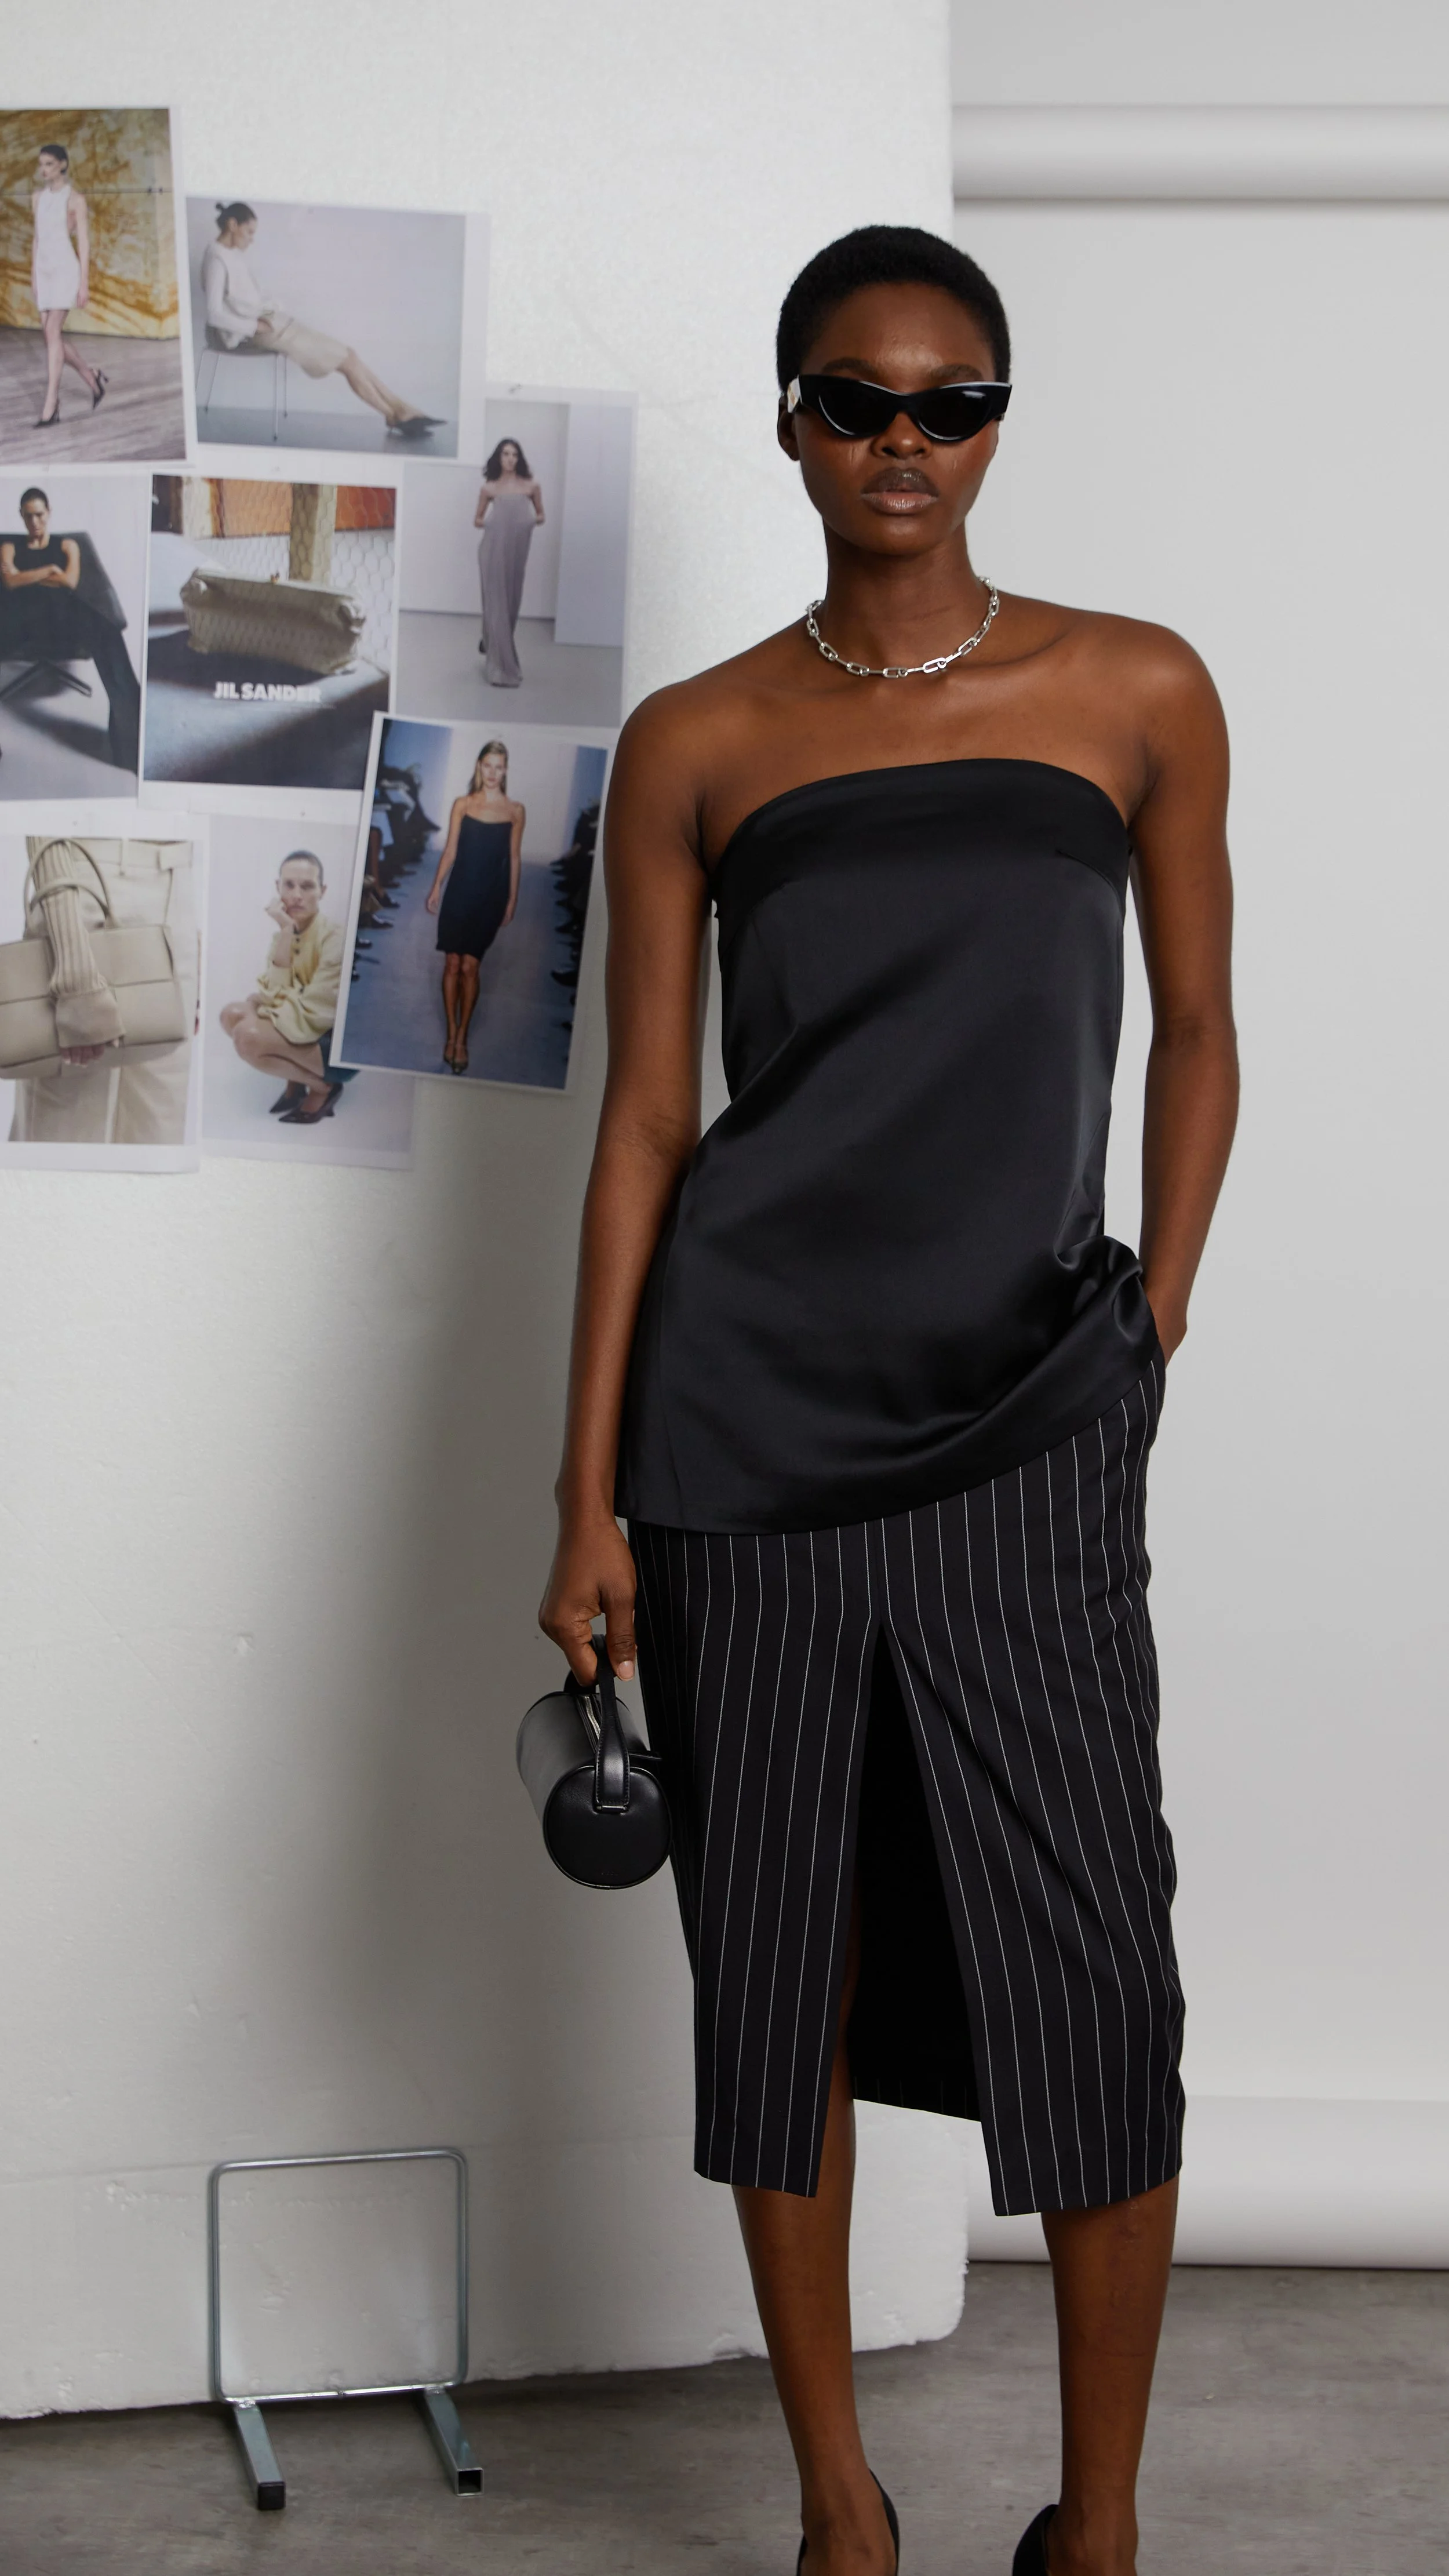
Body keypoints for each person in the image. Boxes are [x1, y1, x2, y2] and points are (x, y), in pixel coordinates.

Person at [539, 225, 1239, 2576]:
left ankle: (1102, 2527)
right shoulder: (704, 742)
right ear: (791, 425)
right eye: (856, 401)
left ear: (999, 421)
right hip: (737, 1429)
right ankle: (843, 2512)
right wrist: (586, 1501)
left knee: (1089, 1968)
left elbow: (1203, 1031)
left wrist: (1150, 1324)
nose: (902, 444)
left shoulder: (1136, 688)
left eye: (946, 402)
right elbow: (647, 1125)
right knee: (779, 1966)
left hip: (1031, 1411)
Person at [10, 835, 198, 1145]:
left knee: (155, 1146)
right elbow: (43, 820)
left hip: (176, 890)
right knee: (64, 1143)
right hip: (83, 885)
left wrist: (195, 955)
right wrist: (73, 974)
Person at [200, 203, 443, 439]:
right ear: (233, 225)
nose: (252, 239)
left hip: (271, 325)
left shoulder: (232, 256)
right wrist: (254, 325)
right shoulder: (216, 259)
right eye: (250, 231)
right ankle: (396, 412)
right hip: (250, 333)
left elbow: (250, 300)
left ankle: (398, 410)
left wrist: (270, 310)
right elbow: (214, 314)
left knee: (350, 355)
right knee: (346, 359)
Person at [0, 485, 141, 772]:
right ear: (21, 517)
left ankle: (130, 742)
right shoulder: (9, 547)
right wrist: (51, 571)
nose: (35, 522)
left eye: (40, 515)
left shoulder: (68, 545)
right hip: (21, 623)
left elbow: (71, 582)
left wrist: (29, 576)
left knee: (107, 629)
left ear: (49, 513)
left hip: (63, 620)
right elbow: (11, 583)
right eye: (28, 517)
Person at [219, 850, 356, 1125]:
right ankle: (296, 1086)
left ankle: (323, 1087)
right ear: (277, 888)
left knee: (248, 1035)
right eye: (289, 885)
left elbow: (316, 1013)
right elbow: (273, 993)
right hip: (303, 1029)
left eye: (307, 886)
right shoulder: (285, 932)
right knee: (232, 1014)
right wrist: (285, 933)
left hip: (336, 1047)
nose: (296, 895)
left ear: (323, 891)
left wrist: (264, 1008)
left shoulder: (336, 938)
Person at [424, 740, 523, 1072]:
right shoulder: (463, 805)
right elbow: (451, 850)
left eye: (499, 767)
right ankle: (451, 1034)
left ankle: (463, 1036)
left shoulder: (515, 811)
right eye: (487, 765)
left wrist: (512, 899)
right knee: (452, 963)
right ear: (479, 767)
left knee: (471, 967)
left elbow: (513, 857)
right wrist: (437, 885)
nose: (493, 773)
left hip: (490, 897)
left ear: (505, 770)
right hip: (460, 892)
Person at [30, 144, 106, 428]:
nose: (44, 170)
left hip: (65, 271)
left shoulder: (76, 200)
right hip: (45, 271)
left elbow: (83, 243)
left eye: (49, 164)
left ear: (62, 164)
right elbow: (38, 239)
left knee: (52, 331)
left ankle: (52, 403)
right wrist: (34, 275)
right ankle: (92, 377)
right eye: (41, 164)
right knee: (52, 337)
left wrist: (83, 282)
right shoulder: (37, 198)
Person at [475, 438, 545, 685]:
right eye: (505, 454)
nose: (510, 459)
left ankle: (491, 640)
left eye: (514, 454)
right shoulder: (490, 488)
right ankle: (501, 668)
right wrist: (498, 524)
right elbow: (478, 520)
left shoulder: (531, 486)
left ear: (519, 458)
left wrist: (525, 522)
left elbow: (541, 515)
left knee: (511, 603)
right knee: (496, 603)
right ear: (499, 457)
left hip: (517, 550)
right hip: (492, 550)